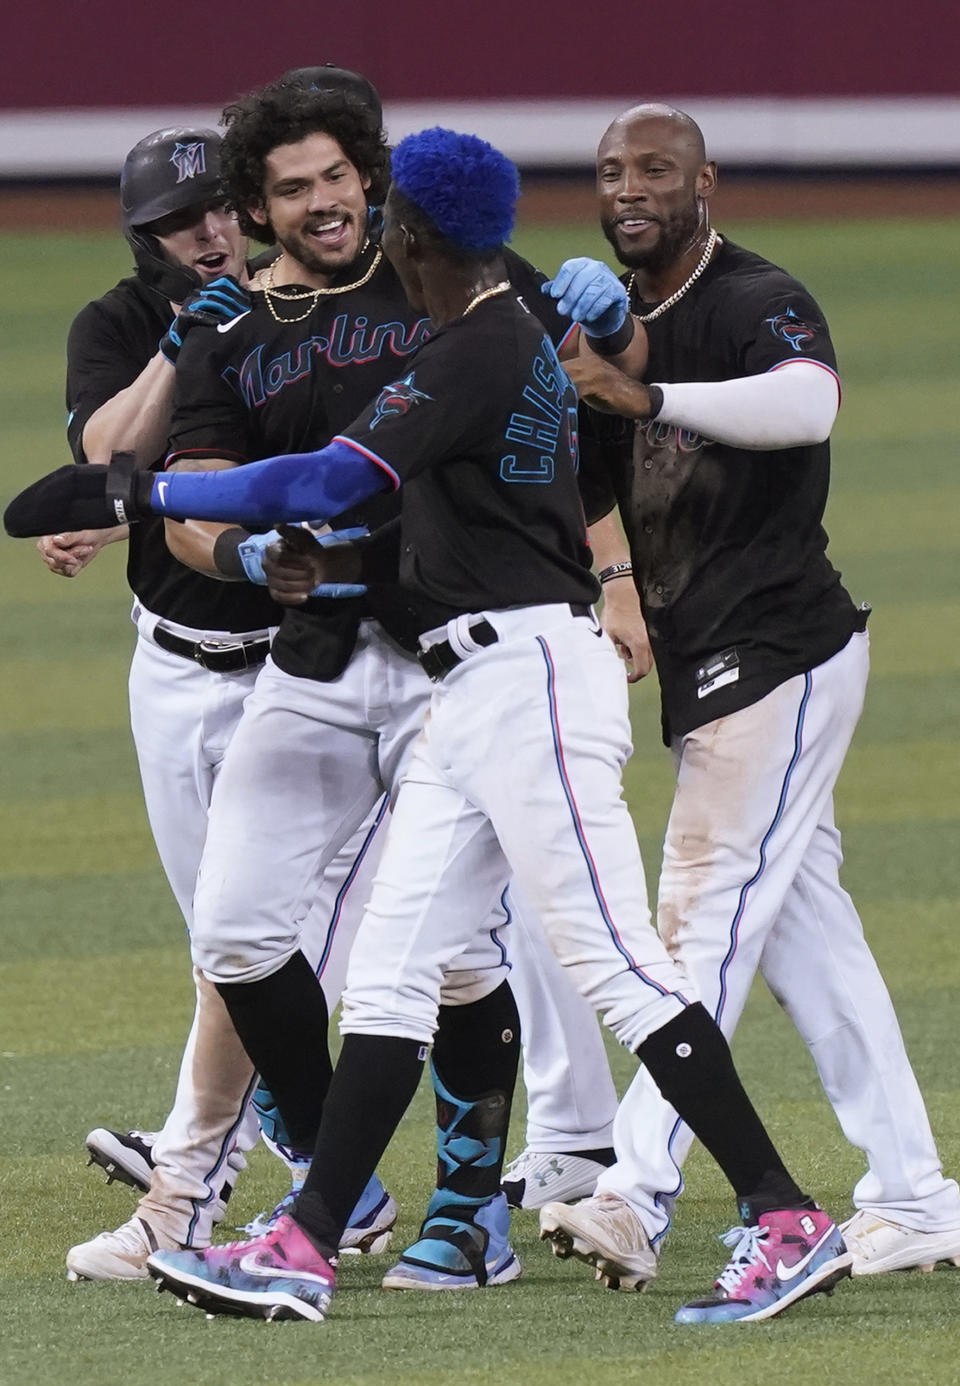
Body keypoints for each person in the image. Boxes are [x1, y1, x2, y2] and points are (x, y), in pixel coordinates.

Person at [11, 127, 856, 1325]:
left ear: (416, 238)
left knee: (615, 965)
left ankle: (787, 1219)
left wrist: (136, 493)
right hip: (472, 690)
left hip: (532, 684)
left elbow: (322, 484)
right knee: (396, 974)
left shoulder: (475, 348)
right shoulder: (488, 330)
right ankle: (305, 1246)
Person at [533, 103, 960, 1288]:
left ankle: (636, 1188)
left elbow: (807, 404)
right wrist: (615, 581)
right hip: (710, 658)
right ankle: (916, 1195)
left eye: (657, 169)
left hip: (780, 650)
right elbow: (591, 486)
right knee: (809, 937)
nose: (631, 189)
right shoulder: (607, 328)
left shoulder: (750, 293)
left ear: (705, 180)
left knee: (705, 916)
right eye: (612, 170)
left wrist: (649, 395)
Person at [44, 86, 402, 1284]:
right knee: (231, 940)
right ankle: (326, 1178)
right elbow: (105, 460)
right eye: (178, 221)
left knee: (256, 946)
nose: (207, 234)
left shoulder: (293, 312)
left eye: (216, 211)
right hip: (171, 666)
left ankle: (195, 1190)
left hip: (301, 675)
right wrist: (175, 342)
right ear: (146, 239)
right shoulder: (129, 322)